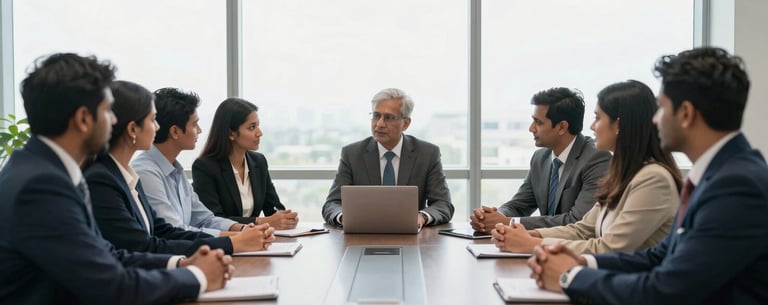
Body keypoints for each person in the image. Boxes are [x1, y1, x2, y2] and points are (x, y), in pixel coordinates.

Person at [528, 47, 768, 305]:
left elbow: (668, 289)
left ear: (686, 114)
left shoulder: (736, 185)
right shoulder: (719, 173)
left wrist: (570, 276)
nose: (654, 120)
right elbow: (659, 257)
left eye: (662, 108)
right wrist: (582, 261)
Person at [0, 53, 233, 304]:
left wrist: (184, 263)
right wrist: (197, 275)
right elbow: (111, 286)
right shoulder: (41, 186)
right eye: (108, 111)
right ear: (83, 119)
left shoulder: (44, 170)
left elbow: (107, 255)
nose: (113, 121)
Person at [84, 81, 275, 257]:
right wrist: (234, 241)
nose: (157, 127)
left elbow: (198, 220)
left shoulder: (163, 170)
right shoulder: (139, 173)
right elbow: (161, 237)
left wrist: (241, 233)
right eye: (152, 120)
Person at [491, 80, 681, 254]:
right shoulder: (623, 174)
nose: (591, 126)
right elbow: (582, 230)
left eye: (598, 118)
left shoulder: (653, 179)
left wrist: (532, 244)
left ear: (618, 125)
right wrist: (530, 236)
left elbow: (608, 247)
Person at [471, 88, 611, 231]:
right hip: (541, 246)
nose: (531, 128)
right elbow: (519, 205)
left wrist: (509, 222)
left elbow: (577, 220)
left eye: (538, 122)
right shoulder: (540, 158)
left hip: (574, 249)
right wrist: (492, 217)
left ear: (562, 127)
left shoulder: (596, 158)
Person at [321, 88, 454, 228]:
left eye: (389, 118)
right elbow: (332, 204)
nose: (379, 124)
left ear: (406, 123)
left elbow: (443, 204)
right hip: (363, 234)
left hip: (411, 237)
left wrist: (422, 217)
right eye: (376, 115)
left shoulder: (427, 154)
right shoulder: (352, 154)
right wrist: (343, 216)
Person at [132, 88, 254, 236]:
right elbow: (174, 231)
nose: (200, 130)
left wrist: (245, 229)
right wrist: (239, 237)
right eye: (195, 124)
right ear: (175, 131)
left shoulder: (175, 169)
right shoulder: (145, 172)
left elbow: (205, 219)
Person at [193, 98, 299, 229]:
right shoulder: (205, 167)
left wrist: (284, 217)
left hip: (256, 242)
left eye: (258, 126)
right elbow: (214, 219)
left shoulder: (259, 162)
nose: (259, 133)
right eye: (252, 127)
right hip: (224, 243)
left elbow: (272, 207)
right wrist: (260, 221)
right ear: (231, 133)